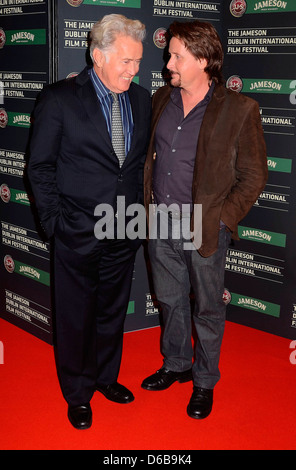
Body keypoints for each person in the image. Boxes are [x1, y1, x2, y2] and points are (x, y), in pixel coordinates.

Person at [28, 14, 151, 430]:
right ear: (98, 55)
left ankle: (105, 377)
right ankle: (78, 392)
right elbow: (39, 167)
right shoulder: (59, 98)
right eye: (126, 61)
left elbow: (132, 168)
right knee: (76, 313)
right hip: (76, 229)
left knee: (112, 309)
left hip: (124, 227)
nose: (134, 71)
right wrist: (54, 224)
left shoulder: (141, 99)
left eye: (138, 62)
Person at [142, 20, 267, 419]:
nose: (168, 63)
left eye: (177, 55)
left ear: (203, 59)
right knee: (169, 300)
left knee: (208, 308)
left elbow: (254, 175)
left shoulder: (240, 109)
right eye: (170, 54)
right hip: (159, 221)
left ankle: (204, 381)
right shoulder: (161, 98)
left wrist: (222, 220)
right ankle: (176, 364)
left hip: (204, 228)